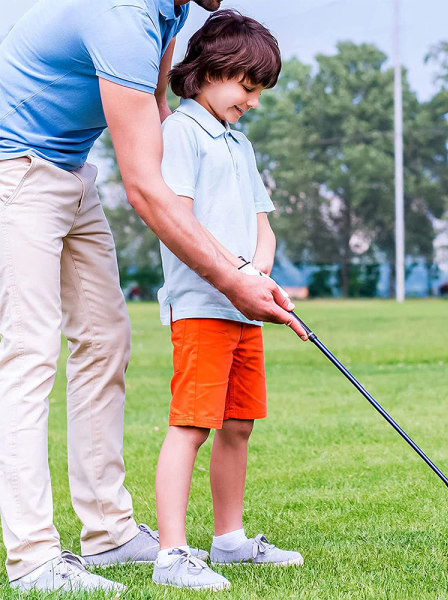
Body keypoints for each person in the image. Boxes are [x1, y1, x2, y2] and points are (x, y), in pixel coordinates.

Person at [0, 0, 307, 593]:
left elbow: (158, 129)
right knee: (30, 354)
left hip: (69, 170)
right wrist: (229, 278)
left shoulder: (167, 12)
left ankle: (109, 534)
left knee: (106, 341)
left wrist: (227, 252)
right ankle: (34, 556)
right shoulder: (121, 13)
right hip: (15, 167)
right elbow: (144, 185)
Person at [151, 10, 304, 591]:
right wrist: (238, 271)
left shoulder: (239, 144)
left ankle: (229, 540)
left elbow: (264, 223)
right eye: (248, 86)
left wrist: (259, 267)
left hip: (244, 309)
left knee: (238, 424)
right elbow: (180, 220)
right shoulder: (179, 134)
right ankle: (171, 553)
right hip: (199, 308)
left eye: (260, 91)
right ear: (212, 71)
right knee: (192, 426)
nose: (254, 101)